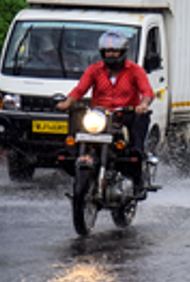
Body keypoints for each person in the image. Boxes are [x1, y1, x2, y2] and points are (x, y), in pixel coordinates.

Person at [57, 30, 154, 197]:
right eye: (108, 51)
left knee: (139, 124)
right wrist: (67, 102)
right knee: (76, 118)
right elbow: (80, 90)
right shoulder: (94, 70)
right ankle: (75, 159)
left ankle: (138, 176)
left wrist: (143, 104)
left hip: (125, 115)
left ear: (123, 52)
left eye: (115, 51)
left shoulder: (135, 70)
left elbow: (147, 92)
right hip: (100, 116)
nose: (111, 54)